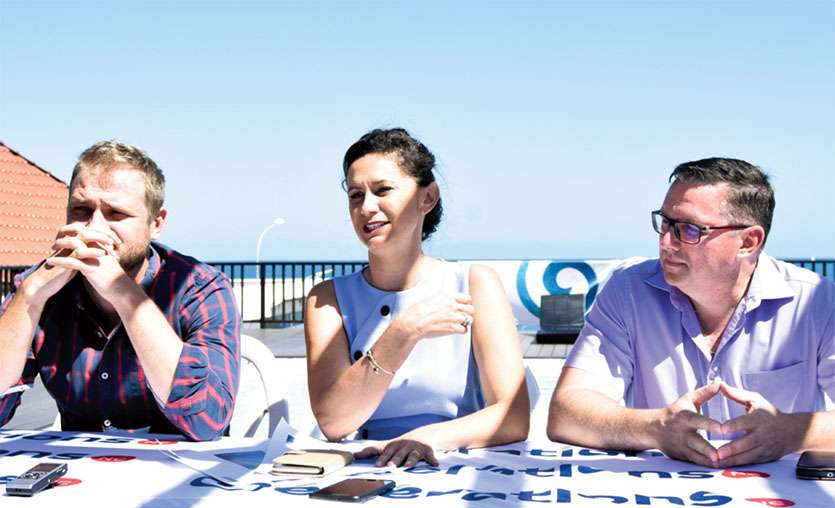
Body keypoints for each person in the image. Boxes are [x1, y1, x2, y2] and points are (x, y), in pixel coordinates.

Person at [547, 157, 835, 467]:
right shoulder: (628, 291)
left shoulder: (816, 302)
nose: (666, 242)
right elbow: (566, 413)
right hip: (659, 493)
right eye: (665, 223)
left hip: (781, 495)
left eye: (689, 229)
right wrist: (656, 429)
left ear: (748, 242)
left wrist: (790, 432)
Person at [304, 128, 529, 467]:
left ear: (428, 198)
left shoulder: (474, 283)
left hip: (455, 463)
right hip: (365, 465)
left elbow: (513, 416)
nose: (366, 207)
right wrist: (403, 331)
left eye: (383, 190)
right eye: (355, 195)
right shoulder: (327, 299)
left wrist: (425, 439)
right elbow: (335, 423)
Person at [0, 140, 240, 441]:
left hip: (178, 465)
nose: (94, 228)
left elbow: (208, 420)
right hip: (81, 465)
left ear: (156, 223)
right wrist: (30, 295)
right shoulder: (40, 286)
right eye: (81, 210)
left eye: (116, 213)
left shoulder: (199, 288)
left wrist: (124, 295)